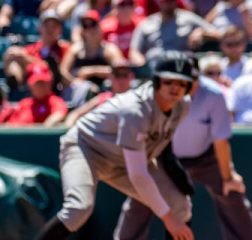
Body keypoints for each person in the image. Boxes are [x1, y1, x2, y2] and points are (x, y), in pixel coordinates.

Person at [35, 52, 196, 240]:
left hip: (123, 159)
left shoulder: (183, 106)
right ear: (157, 81)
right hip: (87, 149)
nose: (175, 88)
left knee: (180, 207)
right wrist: (168, 218)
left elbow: (161, 142)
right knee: (78, 209)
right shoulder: (135, 110)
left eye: (181, 83)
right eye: (169, 81)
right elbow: (138, 175)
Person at [114, 74, 252, 240]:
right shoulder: (156, 95)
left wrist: (228, 177)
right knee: (141, 197)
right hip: (165, 158)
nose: (182, 85)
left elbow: (220, 140)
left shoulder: (213, 94)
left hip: (205, 158)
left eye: (188, 79)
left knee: (232, 191)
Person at [129, 0, 221, 66]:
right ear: (158, 1)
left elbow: (218, 34)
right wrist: (143, 66)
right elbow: (134, 51)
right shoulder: (146, 24)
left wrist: (202, 32)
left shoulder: (188, 18)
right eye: (166, 0)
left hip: (182, 67)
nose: (169, 3)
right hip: (155, 67)